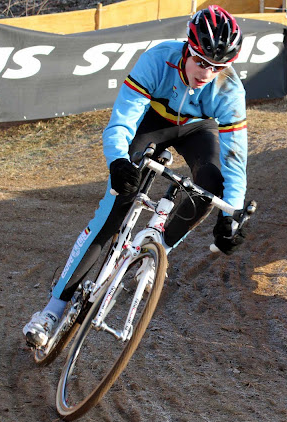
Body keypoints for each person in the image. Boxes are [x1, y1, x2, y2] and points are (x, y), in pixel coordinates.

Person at [23, 5, 249, 347]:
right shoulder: (157, 60)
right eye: (201, 61)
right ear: (188, 48)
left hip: (197, 129)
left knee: (210, 184)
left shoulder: (229, 89)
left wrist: (231, 212)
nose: (207, 73)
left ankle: (159, 250)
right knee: (115, 208)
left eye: (217, 67)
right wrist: (118, 162)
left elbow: (234, 158)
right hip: (151, 122)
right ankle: (52, 310)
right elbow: (122, 122)